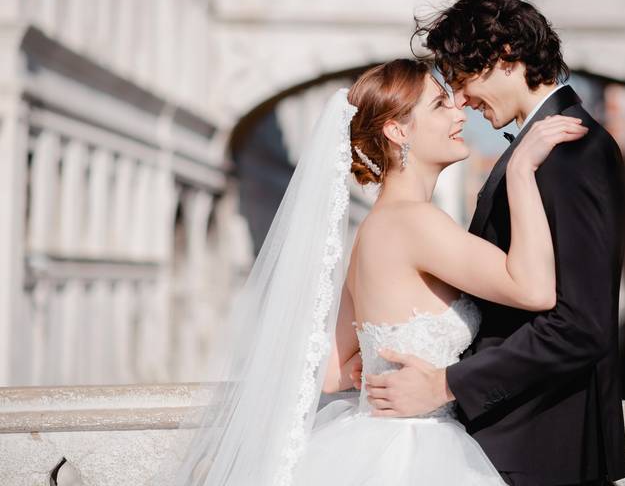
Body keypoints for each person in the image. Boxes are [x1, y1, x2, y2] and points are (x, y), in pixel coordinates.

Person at [160, 58, 587, 485]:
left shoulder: (374, 228)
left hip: (369, 443)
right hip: (415, 453)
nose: (460, 112)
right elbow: (533, 289)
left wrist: (376, 376)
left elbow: (329, 372)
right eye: (440, 104)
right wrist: (520, 170)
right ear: (398, 131)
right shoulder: (417, 222)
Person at [365, 0, 625, 485]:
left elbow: (582, 325)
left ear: (505, 57)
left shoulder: (572, 150)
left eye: (463, 78)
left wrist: (447, 385)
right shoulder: (538, 147)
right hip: (512, 442)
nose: (461, 100)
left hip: (543, 448)